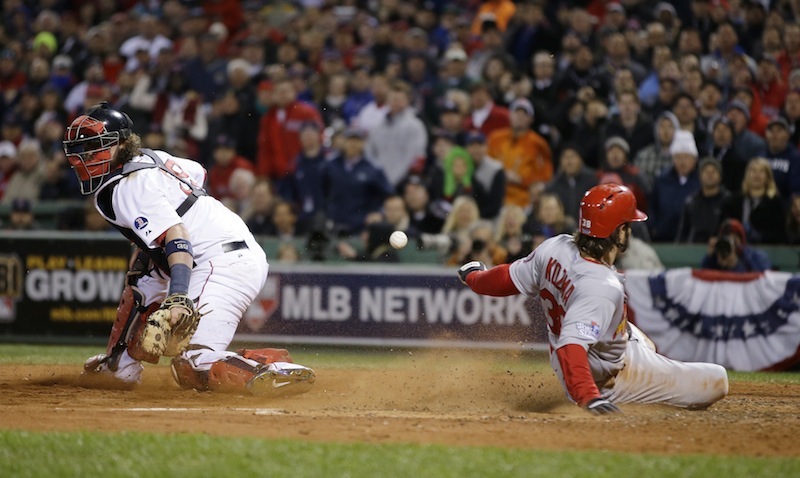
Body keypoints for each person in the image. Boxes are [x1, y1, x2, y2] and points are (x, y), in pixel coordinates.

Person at [65, 102, 315, 394]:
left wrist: (179, 295)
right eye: (81, 149)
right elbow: (198, 173)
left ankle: (272, 368)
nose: (84, 156)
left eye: (95, 146)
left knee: (192, 365)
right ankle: (119, 365)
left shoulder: (126, 186)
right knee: (143, 274)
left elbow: (176, 232)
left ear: (121, 143)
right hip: (221, 247)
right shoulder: (153, 158)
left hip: (219, 262)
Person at [458, 183, 728, 414]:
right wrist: (589, 397)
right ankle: (628, 391)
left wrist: (474, 277)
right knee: (718, 380)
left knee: (645, 342)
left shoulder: (555, 246)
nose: (629, 231)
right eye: (627, 225)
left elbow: (508, 278)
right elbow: (571, 346)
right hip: (606, 378)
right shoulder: (601, 286)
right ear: (618, 232)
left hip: (589, 349)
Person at [700, 219, 772, 272]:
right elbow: (705, 275)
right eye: (727, 237)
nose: (731, 243)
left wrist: (735, 264)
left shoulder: (755, 256)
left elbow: (761, 279)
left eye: (735, 238)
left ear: (742, 240)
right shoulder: (717, 255)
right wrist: (710, 257)